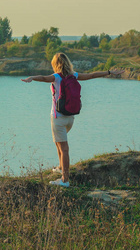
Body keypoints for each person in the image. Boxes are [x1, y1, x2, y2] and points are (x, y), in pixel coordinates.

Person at [21, 52, 124, 187]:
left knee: (64, 148)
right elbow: (92, 75)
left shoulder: (56, 77)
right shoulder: (74, 76)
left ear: (55, 64)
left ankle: (65, 180)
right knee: (58, 143)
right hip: (70, 118)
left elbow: (43, 77)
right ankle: (60, 167)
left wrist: (32, 78)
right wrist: (109, 72)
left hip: (58, 118)